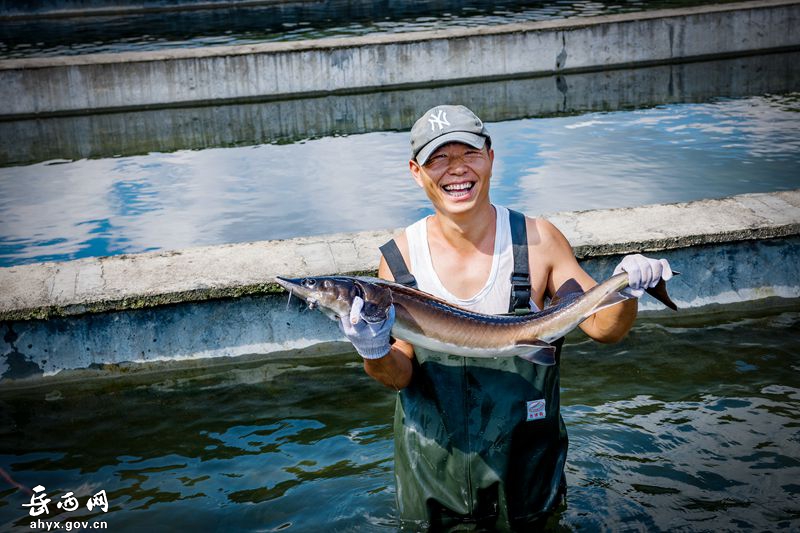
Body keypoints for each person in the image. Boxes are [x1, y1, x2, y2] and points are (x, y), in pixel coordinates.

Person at [339, 105, 672, 531]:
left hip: (527, 471)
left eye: (469, 153)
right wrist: (372, 350)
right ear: (416, 172)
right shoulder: (400, 257)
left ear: (491, 158)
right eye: (439, 158)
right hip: (432, 475)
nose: (457, 169)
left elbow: (604, 328)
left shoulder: (537, 240)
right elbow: (398, 376)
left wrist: (626, 289)